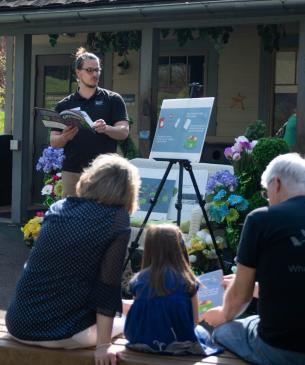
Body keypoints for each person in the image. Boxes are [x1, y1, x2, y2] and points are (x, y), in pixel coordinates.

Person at [5, 154, 140, 365]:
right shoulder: (117, 219)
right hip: (63, 332)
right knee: (129, 320)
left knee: (115, 307)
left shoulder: (59, 207)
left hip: (19, 323)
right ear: (128, 190)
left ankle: (126, 306)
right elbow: (108, 285)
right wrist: (104, 346)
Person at [203, 153, 305, 365]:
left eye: (266, 192)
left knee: (223, 330)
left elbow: (240, 297)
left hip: (281, 349)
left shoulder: (262, 219)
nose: (268, 198)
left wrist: (221, 316)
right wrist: (260, 287)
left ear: (276, 183)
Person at [123, 224, 223, 356]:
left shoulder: (138, 280)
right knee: (204, 332)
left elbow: (138, 314)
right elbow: (194, 321)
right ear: (179, 248)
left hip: (140, 342)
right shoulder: (188, 280)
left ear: (149, 249)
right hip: (180, 344)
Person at [50, 47, 129, 197]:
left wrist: (107, 129)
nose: (95, 74)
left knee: (101, 216)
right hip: (72, 172)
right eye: (90, 70)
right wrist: (65, 137)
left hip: (104, 172)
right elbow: (54, 142)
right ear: (78, 73)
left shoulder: (113, 99)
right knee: (71, 218)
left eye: (97, 70)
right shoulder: (63, 105)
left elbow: (124, 131)